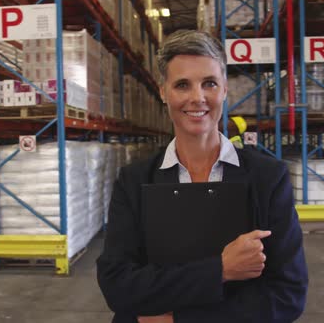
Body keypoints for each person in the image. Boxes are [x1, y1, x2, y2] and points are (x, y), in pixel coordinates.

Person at [96, 30, 308, 323]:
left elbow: (287, 293)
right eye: (182, 85)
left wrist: (178, 319)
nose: (197, 98)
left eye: (209, 83)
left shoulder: (268, 178)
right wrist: (220, 269)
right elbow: (118, 286)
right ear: (163, 92)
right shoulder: (134, 181)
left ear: (224, 90)